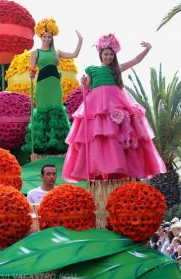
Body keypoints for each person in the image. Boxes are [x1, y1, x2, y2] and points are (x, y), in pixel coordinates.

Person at [62, 34, 166, 181]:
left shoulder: (116, 69)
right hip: (96, 105)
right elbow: (86, 88)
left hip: (116, 103)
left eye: (111, 54)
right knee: (99, 136)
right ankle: (100, 166)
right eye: (106, 54)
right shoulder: (92, 69)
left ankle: (119, 165)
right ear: (100, 54)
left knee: (118, 134)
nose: (108, 57)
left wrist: (147, 49)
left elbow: (135, 60)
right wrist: (84, 83)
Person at [22, 18, 83, 154]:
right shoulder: (35, 52)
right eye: (45, 37)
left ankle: (58, 145)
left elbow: (75, 54)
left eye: (49, 37)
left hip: (55, 85)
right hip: (42, 85)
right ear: (41, 37)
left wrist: (80, 40)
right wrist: (31, 75)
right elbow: (32, 69)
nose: (47, 39)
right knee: (43, 110)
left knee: (56, 109)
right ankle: (41, 146)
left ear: (52, 38)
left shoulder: (57, 52)